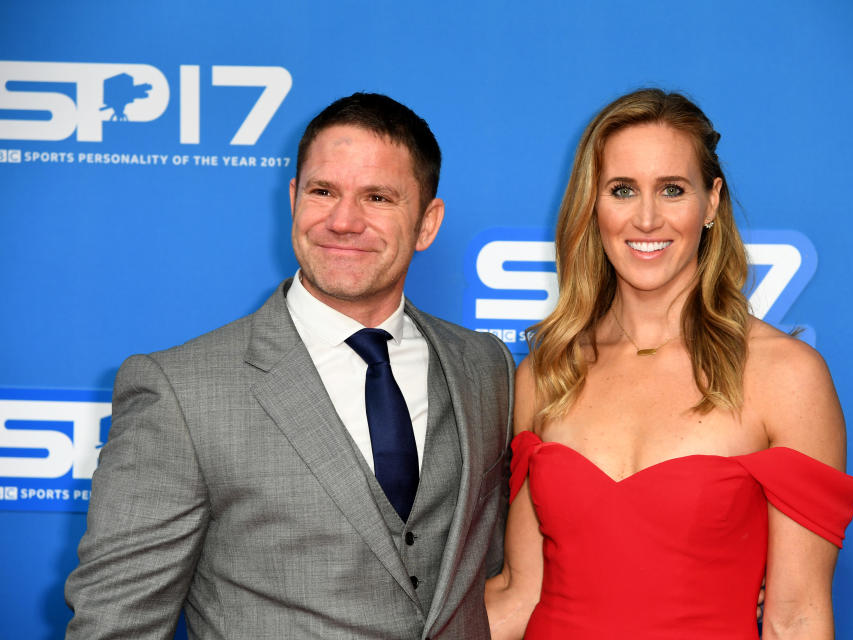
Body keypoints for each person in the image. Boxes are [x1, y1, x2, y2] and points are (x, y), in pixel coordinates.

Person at [65, 92, 515, 639]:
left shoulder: (485, 367)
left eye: (377, 197)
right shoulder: (181, 392)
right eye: (324, 191)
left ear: (427, 223)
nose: (344, 221)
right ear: (294, 198)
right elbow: (118, 624)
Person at [484, 88, 853, 639]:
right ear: (593, 203)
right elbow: (520, 596)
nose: (646, 218)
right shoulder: (548, 373)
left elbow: (796, 618)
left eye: (672, 190)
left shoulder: (785, 375)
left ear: (711, 202)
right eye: (621, 190)